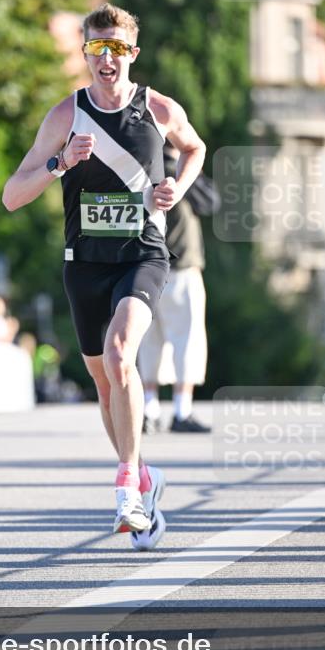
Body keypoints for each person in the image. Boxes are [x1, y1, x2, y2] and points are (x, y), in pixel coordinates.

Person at [3, 3, 206, 550]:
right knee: (102, 378)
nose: (107, 58)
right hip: (84, 266)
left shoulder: (158, 109)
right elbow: (11, 196)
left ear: (132, 54)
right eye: (98, 48)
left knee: (121, 356)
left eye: (117, 48)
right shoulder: (65, 117)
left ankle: (127, 493)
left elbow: (195, 147)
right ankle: (141, 473)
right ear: (86, 52)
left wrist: (177, 189)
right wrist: (60, 163)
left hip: (143, 255)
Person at [139, 145, 212, 435]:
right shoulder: (181, 173)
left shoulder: (142, 170)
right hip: (181, 268)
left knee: (149, 342)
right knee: (187, 341)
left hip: (146, 267)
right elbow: (210, 202)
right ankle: (182, 409)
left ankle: (149, 408)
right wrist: (192, 170)